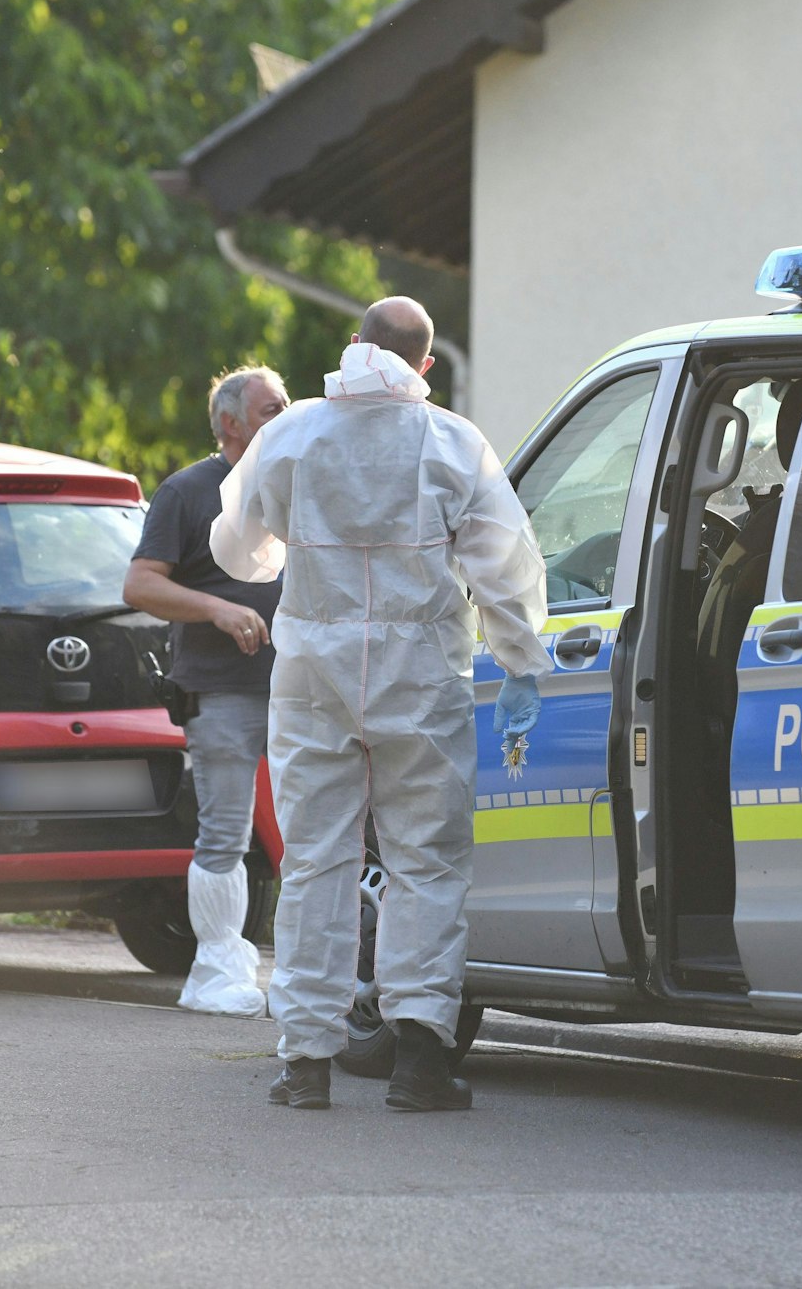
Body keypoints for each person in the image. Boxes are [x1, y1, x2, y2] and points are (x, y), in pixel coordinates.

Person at [211, 297, 549, 1111]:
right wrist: (521, 662)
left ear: (351, 346)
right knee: (425, 863)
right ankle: (420, 1060)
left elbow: (237, 552)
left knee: (316, 861)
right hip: (421, 672)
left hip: (313, 675)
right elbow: (504, 566)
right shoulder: (452, 442)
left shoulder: (288, 435)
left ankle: (304, 1064)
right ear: (424, 367)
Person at [123, 364, 289, 1016]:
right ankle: (214, 975)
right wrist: (217, 609)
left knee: (314, 834)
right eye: (271, 410)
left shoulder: (296, 490)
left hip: (301, 690)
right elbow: (139, 586)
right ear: (230, 424)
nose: (286, 417)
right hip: (223, 693)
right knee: (225, 832)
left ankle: (305, 974)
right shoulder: (188, 492)